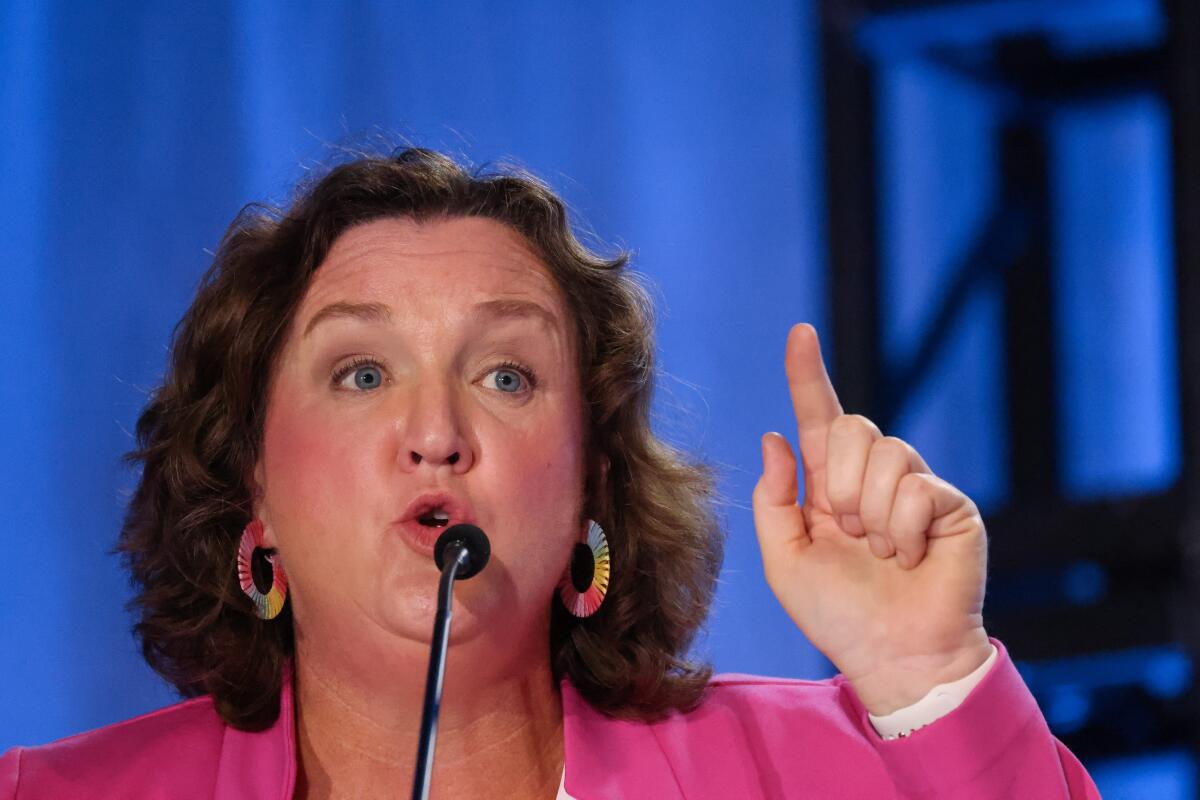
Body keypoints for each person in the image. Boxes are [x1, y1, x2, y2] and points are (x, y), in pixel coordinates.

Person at [0, 148, 1099, 799]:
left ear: (591, 489)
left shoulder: (813, 775)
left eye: (508, 376)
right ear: (253, 490)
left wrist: (928, 673)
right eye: (362, 371)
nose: (435, 431)